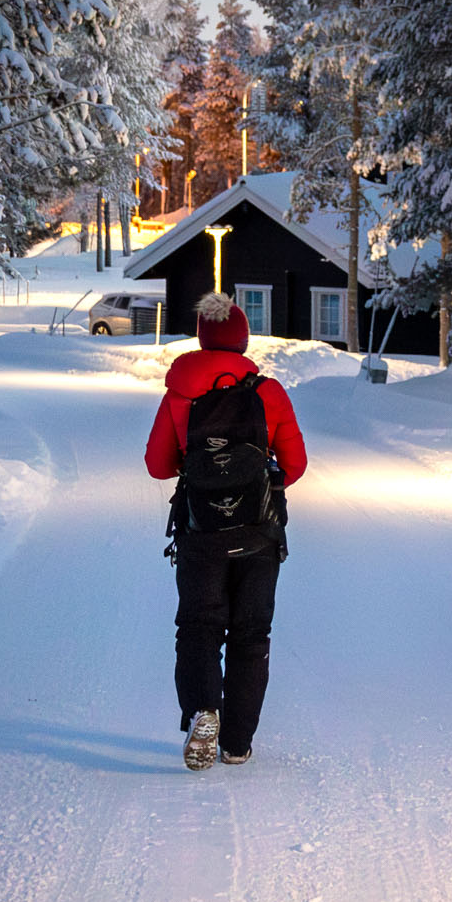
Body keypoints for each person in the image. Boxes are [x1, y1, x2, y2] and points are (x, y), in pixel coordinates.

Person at [146, 291, 307, 770]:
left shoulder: (179, 394)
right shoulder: (269, 392)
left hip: (201, 532)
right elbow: (295, 466)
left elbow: (158, 466)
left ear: (201, 338)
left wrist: (199, 465)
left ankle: (203, 710)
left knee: (199, 626)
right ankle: (237, 743)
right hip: (259, 532)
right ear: (242, 340)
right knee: (251, 635)